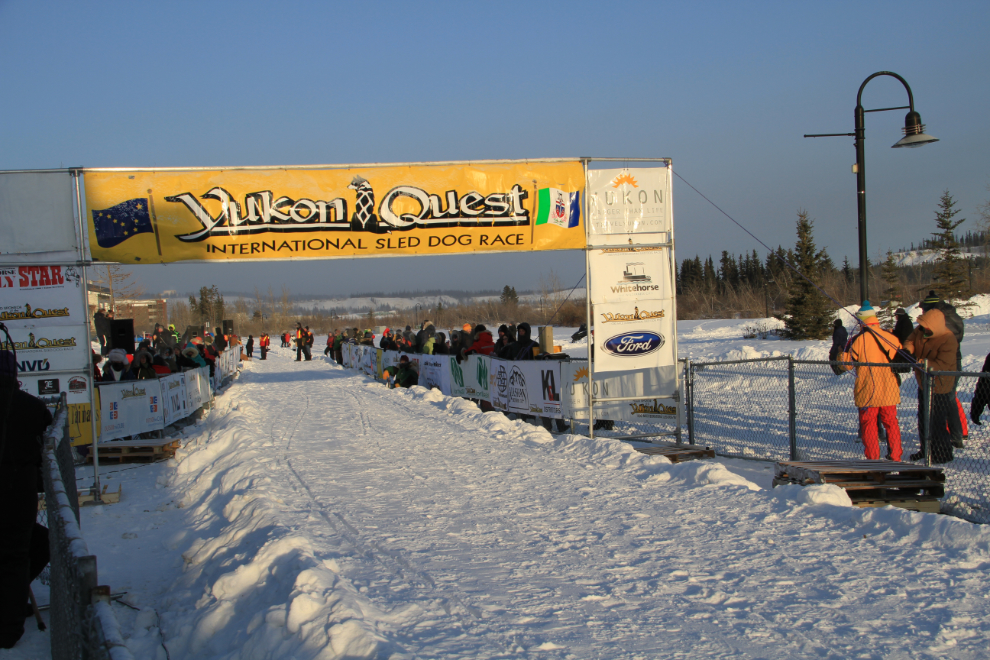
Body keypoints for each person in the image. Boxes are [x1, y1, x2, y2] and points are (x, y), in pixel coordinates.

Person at [0, 350, 53, 649]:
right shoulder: (31, 407)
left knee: (30, 546)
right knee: (15, 556)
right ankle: (8, 627)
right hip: (16, 492)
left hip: (18, 487)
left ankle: (11, 600)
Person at [838, 302, 903, 461]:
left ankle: (873, 458)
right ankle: (895, 455)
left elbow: (846, 365)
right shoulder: (890, 337)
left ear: (862, 321)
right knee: (891, 423)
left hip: (868, 389)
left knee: (869, 425)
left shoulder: (857, 340)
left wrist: (841, 354)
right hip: (889, 388)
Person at [904, 307, 958, 463]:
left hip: (940, 386)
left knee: (936, 421)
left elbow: (942, 364)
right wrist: (908, 350)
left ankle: (943, 452)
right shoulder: (920, 330)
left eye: (927, 327)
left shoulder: (948, 339)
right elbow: (910, 340)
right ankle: (926, 450)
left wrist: (920, 362)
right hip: (924, 383)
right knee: (923, 418)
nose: (923, 329)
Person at [919, 291, 967, 448]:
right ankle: (951, 434)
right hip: (950, 359)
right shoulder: (951, 314)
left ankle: (955, 436)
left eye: (925, 310)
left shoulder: (941, 318)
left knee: (947, 397)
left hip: (946, 361)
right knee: (945, 397)